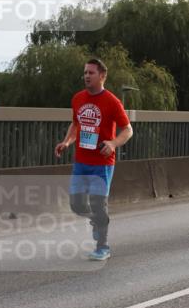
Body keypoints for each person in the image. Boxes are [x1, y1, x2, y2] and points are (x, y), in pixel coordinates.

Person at [54, 58, 133, 261]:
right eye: (85, 72)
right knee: (76, 205)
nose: (86, 76)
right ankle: (97, 220)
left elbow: (128, 130)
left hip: (102, 163)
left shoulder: (112, 101)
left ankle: (103, 247)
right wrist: (66, 142)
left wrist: (113, 143)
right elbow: (75, 124)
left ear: (102, 76)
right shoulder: (78, 98)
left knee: (98, 204)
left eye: (91, 73)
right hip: (81, 161)